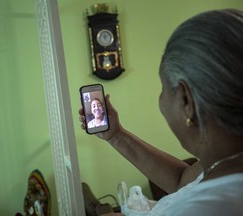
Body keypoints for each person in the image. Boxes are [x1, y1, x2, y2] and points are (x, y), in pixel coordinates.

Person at [79, 9, 243, 216]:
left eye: (163, 89)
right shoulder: (227, 159)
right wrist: (116, 135)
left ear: (186, 100)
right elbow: (182, 180)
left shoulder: (202, 209)